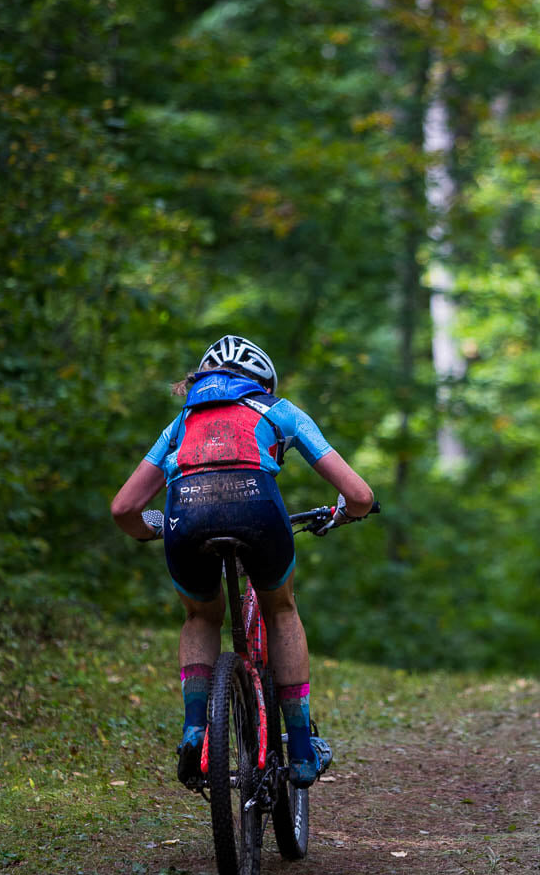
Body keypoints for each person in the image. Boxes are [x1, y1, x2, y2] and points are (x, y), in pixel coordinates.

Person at [110, 334, 374, 788]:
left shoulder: (181, 423)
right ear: (262, 382)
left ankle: (195, 731)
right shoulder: (279, 411)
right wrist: (346, 514)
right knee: (282, 609)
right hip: (260, 515)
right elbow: (360, 495)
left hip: (185, 519)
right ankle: (303, 749)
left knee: (200, 616)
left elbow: (123, 509)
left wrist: (155, 528)